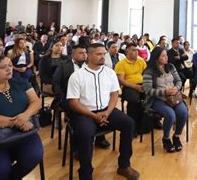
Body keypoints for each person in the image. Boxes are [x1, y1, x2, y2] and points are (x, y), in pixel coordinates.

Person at [67, 43, 139, 180]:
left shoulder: (109, 73)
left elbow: (114, 94)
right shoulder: (77, 76)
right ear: (89, 55)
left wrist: (107, 112)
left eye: (104, 54)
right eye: (99, 54)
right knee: (85, 133)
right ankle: (86, 173)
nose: (103, 57)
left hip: (107, 110)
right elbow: (73, 103)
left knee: (128, 123)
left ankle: (124, 165)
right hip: (85, 113)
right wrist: (94, 115)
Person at [0, 55, 43, 179]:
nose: (9, 69)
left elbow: (36, 102)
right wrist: (15, 122)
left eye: (10, 65)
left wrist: (24, 116)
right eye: (3, 67)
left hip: (24, 132)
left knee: (34, 156)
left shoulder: (19, 82)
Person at [53, 45, 110, 149]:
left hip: (89, 96)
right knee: (76, 112)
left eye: (85, 52)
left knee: (99, 106)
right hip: (69, 97)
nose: (84, 55)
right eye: (80, 53)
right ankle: (77, 145)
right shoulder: (63, 65)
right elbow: (56, 83)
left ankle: (100, 137)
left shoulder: (92, 65)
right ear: (73, 55)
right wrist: (63, 98)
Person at [143, 46, 188, 153]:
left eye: (166, 55)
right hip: (158, 99)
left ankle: (176, 136)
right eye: (163, 56)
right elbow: (148, 90)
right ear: (156, 57)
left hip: (173, 97)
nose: (166, 57)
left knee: (183, 113)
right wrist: (164, 92)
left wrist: (176, 88)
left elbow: (178, 81)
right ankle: (166, 138)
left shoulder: (171, 66)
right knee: (170, 115)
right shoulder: (149, 71)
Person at [114, 43, 147, 134]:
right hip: (128, 86)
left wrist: (145, 84)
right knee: (134, 100)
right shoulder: (121, 64)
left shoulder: (141, 61)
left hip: (142, 84)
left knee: (151, 98)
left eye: (136, 50)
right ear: (127, 51)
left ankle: (144, 125)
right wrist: (135, 87)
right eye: (133, 50)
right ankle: (132, 127)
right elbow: (121, 81)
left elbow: (147, 74)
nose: (136, 52)